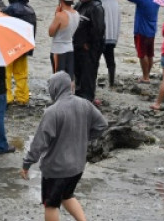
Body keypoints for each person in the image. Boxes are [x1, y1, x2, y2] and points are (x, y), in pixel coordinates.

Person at [20, 71, 108, 221]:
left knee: (51, 204)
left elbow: (39, 143)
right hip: (77, 168)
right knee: (66, 195)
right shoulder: (84, 104)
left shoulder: (52, 112)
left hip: (57, 169)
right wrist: (85, 137)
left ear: (54, 89)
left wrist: (27, 164)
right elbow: (102, 125)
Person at [116, 0, 159, 84]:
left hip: (141, 31)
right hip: (152, 31)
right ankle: (147, 75)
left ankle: (145, 77)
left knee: (142, 54)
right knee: (150, 54)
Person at [1, 0, 37, 106]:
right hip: (24, 48)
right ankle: (22, 97)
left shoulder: (10, 9)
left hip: (10, 47)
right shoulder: (31, 9)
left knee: (6, 74)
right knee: (21, 74)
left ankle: (7, 97)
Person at [72, 0, 105, 103]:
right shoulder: (79, 5)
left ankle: (87, 99)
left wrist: (89, 44)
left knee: (88, 74)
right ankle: (78, 96)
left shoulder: (96, 8)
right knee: (78, 74)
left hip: (89, 49)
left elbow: (99, 29)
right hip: (77, 47)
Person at [47, 0, 79, 79]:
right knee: (69, 77)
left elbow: (51, 33)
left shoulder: (60, 16)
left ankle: (58, 93)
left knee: (58, 78)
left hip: (58, 50)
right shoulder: (76, 14)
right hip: (69, 48)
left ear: (61, 0)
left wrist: (56, 14)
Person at [95, 0, 120, 87]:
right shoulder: (115, 3)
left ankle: (93, 79)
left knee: (95, 60)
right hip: (112, 36)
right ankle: (111, 82)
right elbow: (118, 21)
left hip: (101, 37)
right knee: (111, 61)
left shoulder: (99, 3)